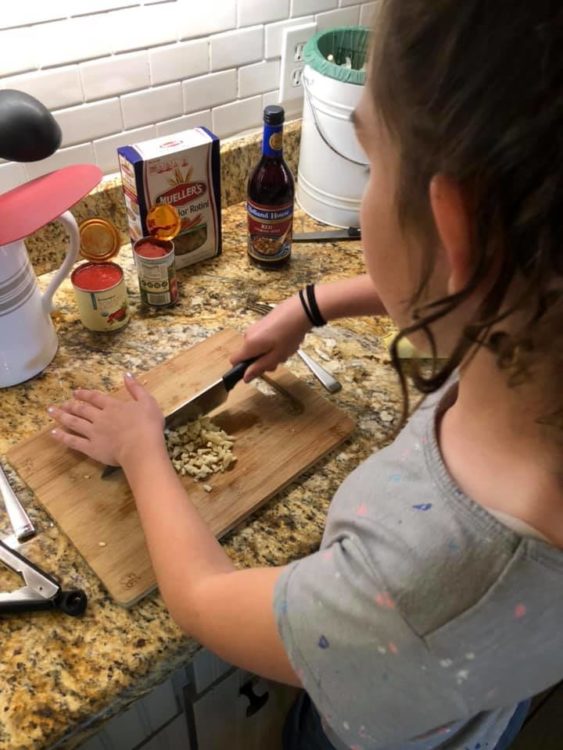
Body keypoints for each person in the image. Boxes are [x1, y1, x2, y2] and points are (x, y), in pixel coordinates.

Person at [48, 0, 563, 748]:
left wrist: (141, 449)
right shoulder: (531, 352)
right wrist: (313, 304)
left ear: (457, 231)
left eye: (372, 160)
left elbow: (202, 597)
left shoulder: (411, 594)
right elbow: (491, 286)